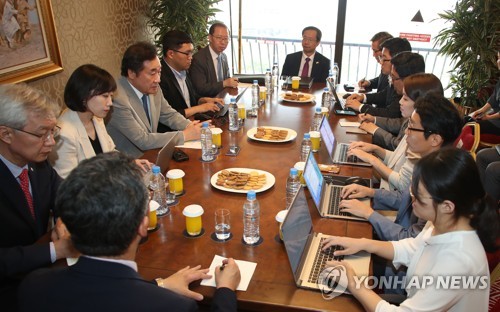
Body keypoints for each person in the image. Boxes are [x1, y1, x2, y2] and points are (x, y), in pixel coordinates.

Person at [19, 152, 241, 311]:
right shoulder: (174, 306)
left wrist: (159, 285)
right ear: (143, 225)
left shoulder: (33, 286)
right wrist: (225, 290)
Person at [323, 147, 499, 311]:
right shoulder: (446, 220)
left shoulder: (459, 262)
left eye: (418, 196)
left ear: (447, 206)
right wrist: (362, 243)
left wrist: (353, 283)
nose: (411, 199)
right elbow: (412, 248)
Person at [341, 93, 463, 241]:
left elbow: (409, 239)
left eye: (411, 126)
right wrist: (370, 193)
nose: (406, 132)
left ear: (435, 139)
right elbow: (405, 200)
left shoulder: (439, 183)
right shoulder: (430, 164)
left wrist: (369, 214)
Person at [0, 84, 76, 311]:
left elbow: (66, 194)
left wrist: (62, 219)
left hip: (40, 276)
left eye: (53, 131)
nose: (51, 142)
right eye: (42, 134)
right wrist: (57, 250)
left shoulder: (37, 164)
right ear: (6, 134)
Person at [49, 64, 151, 178]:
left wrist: (129, 163)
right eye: (105, 96)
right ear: (84, 95)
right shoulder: (64, 134)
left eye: (111, 96)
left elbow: (110, 152)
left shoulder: (96, 118)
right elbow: (69, 184)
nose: (110, 103)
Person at [343, 53, 426, 193]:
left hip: (389, 191)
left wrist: (372, 159)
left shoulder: (420, 132)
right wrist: (373, 148)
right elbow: (396, 158)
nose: (380, 60)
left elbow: (401, 187)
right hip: (387, 182)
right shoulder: (414, 121)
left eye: (405, 99)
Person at [106, 41, 203, 158]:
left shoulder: (152, 87)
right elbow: (142, 140)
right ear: (131, 73)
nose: (158, 79)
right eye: (152, 73)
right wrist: (185, 135)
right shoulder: (117, 99)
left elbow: (168, 114)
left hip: (152, 155)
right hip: (130, 164)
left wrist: (190, 126)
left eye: (159, 72)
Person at [358, 73, 444, 151]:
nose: (400, 102)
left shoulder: (423, 131)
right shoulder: (412, 117)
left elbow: (398, 146)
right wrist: (374, 119)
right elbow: (400, 123)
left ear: (422, 102)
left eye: (405, 99)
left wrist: (375, 130)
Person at [159, 30, 224, 119]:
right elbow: (166, 116)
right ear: (171, 54)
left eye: (191, 52)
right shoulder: (159, 77)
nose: (191, 57)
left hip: (193, 120)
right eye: (187, 53)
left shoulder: (183, 69)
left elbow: (190, 99)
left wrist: (204, 100)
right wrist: (199, 108)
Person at [346, 37, 412, 118]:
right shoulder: (394, 77)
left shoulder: (404, 82)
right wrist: (362, 97)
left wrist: (361, 107)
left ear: (397, 60)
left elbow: (391, 114)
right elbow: (384, 95)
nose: (381, 62)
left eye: (384, 58)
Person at [190, 22, 238, 97]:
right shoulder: (198, 59)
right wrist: (224, 83)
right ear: (209, 38)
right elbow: (201, 88)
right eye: (219, 38)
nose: (223, 42)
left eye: (226, 39)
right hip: (207, 103)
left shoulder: (223, 56)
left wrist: (231, 81)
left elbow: (226, 78)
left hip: (223, 100)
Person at [470, 50, 500, 136]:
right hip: (494, 117)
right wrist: (479, 111)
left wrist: (488, 117)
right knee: (466, 119)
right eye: (498, 58)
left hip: (498, 123)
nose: (498, 61)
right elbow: (492, 100)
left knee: (472, 127)